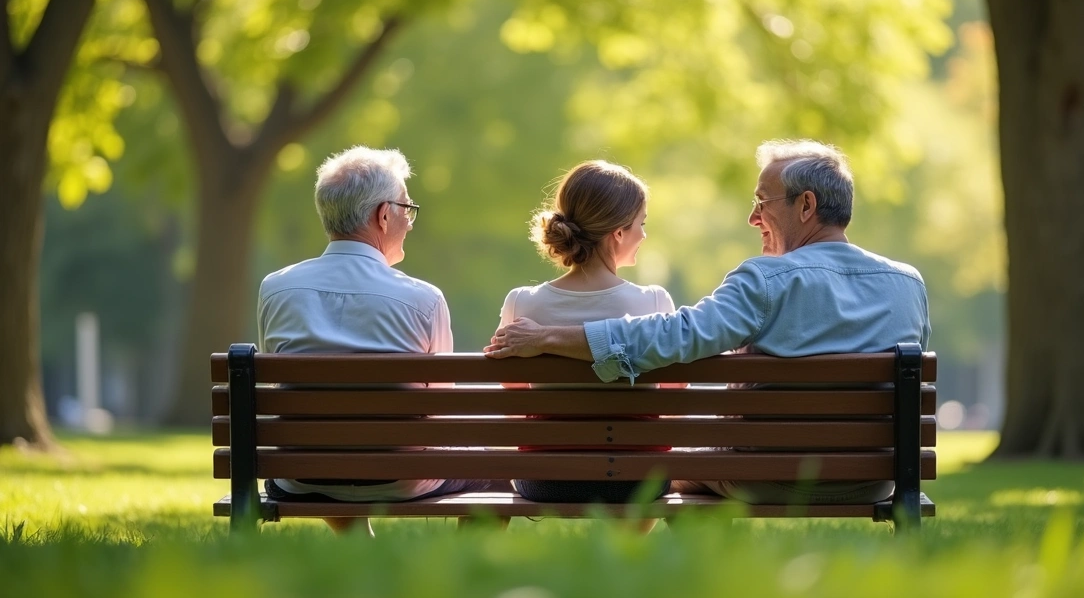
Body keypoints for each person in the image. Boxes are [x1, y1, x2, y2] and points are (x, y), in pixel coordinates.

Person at [485, 139, 931, 505]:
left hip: (768, 478)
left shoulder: (765, 280)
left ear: (806, 206)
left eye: (761, 202)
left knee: (663, 474)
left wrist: (547, 337)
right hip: (874, 479)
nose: (753, 218)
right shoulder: (907, 283)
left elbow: (675, 336)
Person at [258, 146, 490, 534]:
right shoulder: (424, 299)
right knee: (497, 470)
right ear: (383, 216)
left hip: (300, 476)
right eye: (406, 209)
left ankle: (359, 547)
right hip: (400, 479)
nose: (409, 223)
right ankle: (462, 568)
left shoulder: (275, 289)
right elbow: (440, 407)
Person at [496, 160, 682, 505]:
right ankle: (624, 541)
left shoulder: (522, 303)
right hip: (638, 481)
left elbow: (513, 392)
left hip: (545, 480)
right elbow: (674, 393)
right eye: (641, 224)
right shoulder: (654, 301)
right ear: (619, 233)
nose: (644, 235)